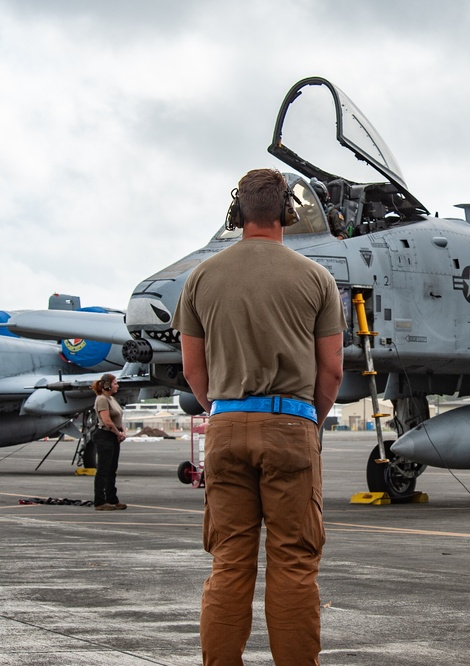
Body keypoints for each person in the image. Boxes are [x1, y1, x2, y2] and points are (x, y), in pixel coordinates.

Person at [174, 168, 347, 665]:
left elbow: (192, 368)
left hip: (225, 426)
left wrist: (223, 411)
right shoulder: (316, 277)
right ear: (287, 214)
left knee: (229, 561)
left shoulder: (201, 277)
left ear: (237, 213)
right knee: (293, 561)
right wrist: (306, 420)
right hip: (292, 425)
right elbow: (332, 370)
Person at [91, 373, 127, 511]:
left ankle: (112, 499)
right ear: (107, 385)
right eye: (115, 383)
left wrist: (122, 431)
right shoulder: (102, 399)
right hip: (104, 435)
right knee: (103, 470)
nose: (117, 385)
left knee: (112, 469)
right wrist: (118, 433)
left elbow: (118, 418)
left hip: (113, 436)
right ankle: (100, 501)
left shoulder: (111, 398)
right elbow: (106, 421)